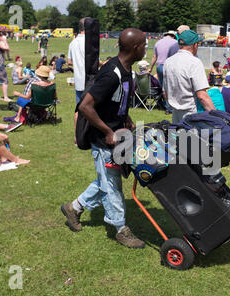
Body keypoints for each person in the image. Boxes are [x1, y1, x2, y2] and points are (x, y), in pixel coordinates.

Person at [60, 28, 147, 249]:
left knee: (105, 181)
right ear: (135, 48)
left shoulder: (127, 71)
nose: (146, 48)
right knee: (112, 186)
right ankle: (120, 229)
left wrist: (126, 118)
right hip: (105, 140)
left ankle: (74, 207)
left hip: (120, 135)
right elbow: (85, 106)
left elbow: (117, 101)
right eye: (144, 45)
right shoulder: (111, 73)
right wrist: (108, 131)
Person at [163, 30, 215, 123]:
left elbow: (165, 93)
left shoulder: (168, 62)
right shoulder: (194, 62)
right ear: (195, 45)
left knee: (178, 137)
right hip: (191, 114)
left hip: (175, 113)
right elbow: (202, 96)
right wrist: (217, 116)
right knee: (190, 138)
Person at [68, 18, 86, 105]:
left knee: (79, 109)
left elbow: (69, 62)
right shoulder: (89, 42)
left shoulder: (72, 43)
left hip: (78, 79)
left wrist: (78, 62)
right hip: (89, 80)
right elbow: (95, 63)